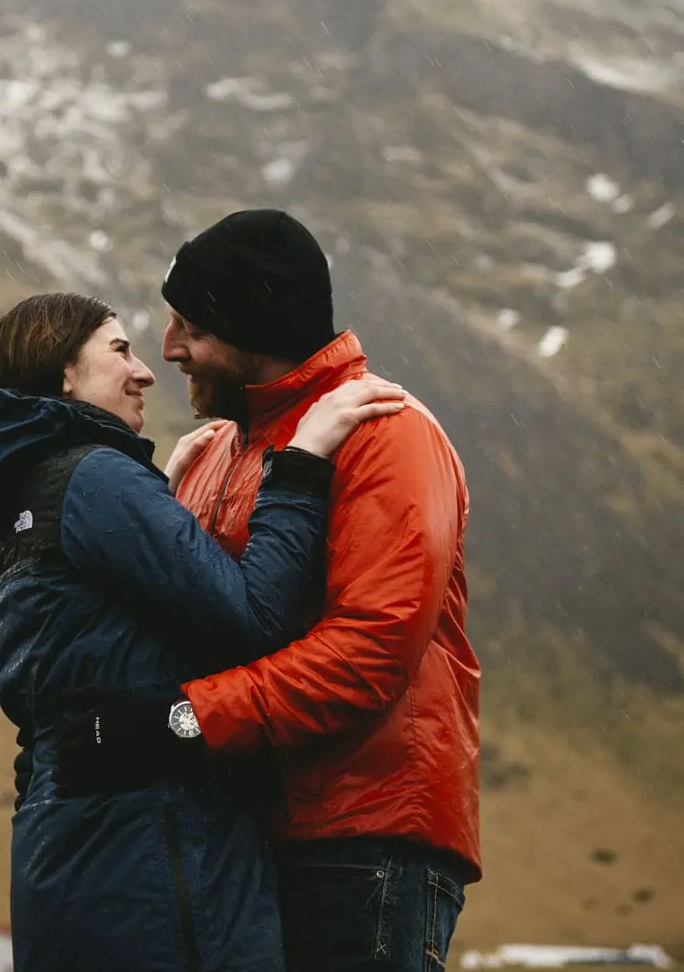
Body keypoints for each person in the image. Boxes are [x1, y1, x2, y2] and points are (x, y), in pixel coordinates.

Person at [0, 291, 404, 972]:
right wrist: (302, 462)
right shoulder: (96, 477)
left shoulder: (22, 491)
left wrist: (155, 508)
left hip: (67, 841)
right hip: (153, 848)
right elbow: (252, 618)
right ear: (64, 376)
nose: (144, 370)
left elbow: (86, 639)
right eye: (119, 350)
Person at [53, 208, 480, 972]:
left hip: (362, 840)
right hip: (248, 840)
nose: (169, 348)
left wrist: (182, 719)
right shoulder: (222, 446)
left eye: (190, 324)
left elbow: (367, 653)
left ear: (254, 325)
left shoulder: (385, 430)